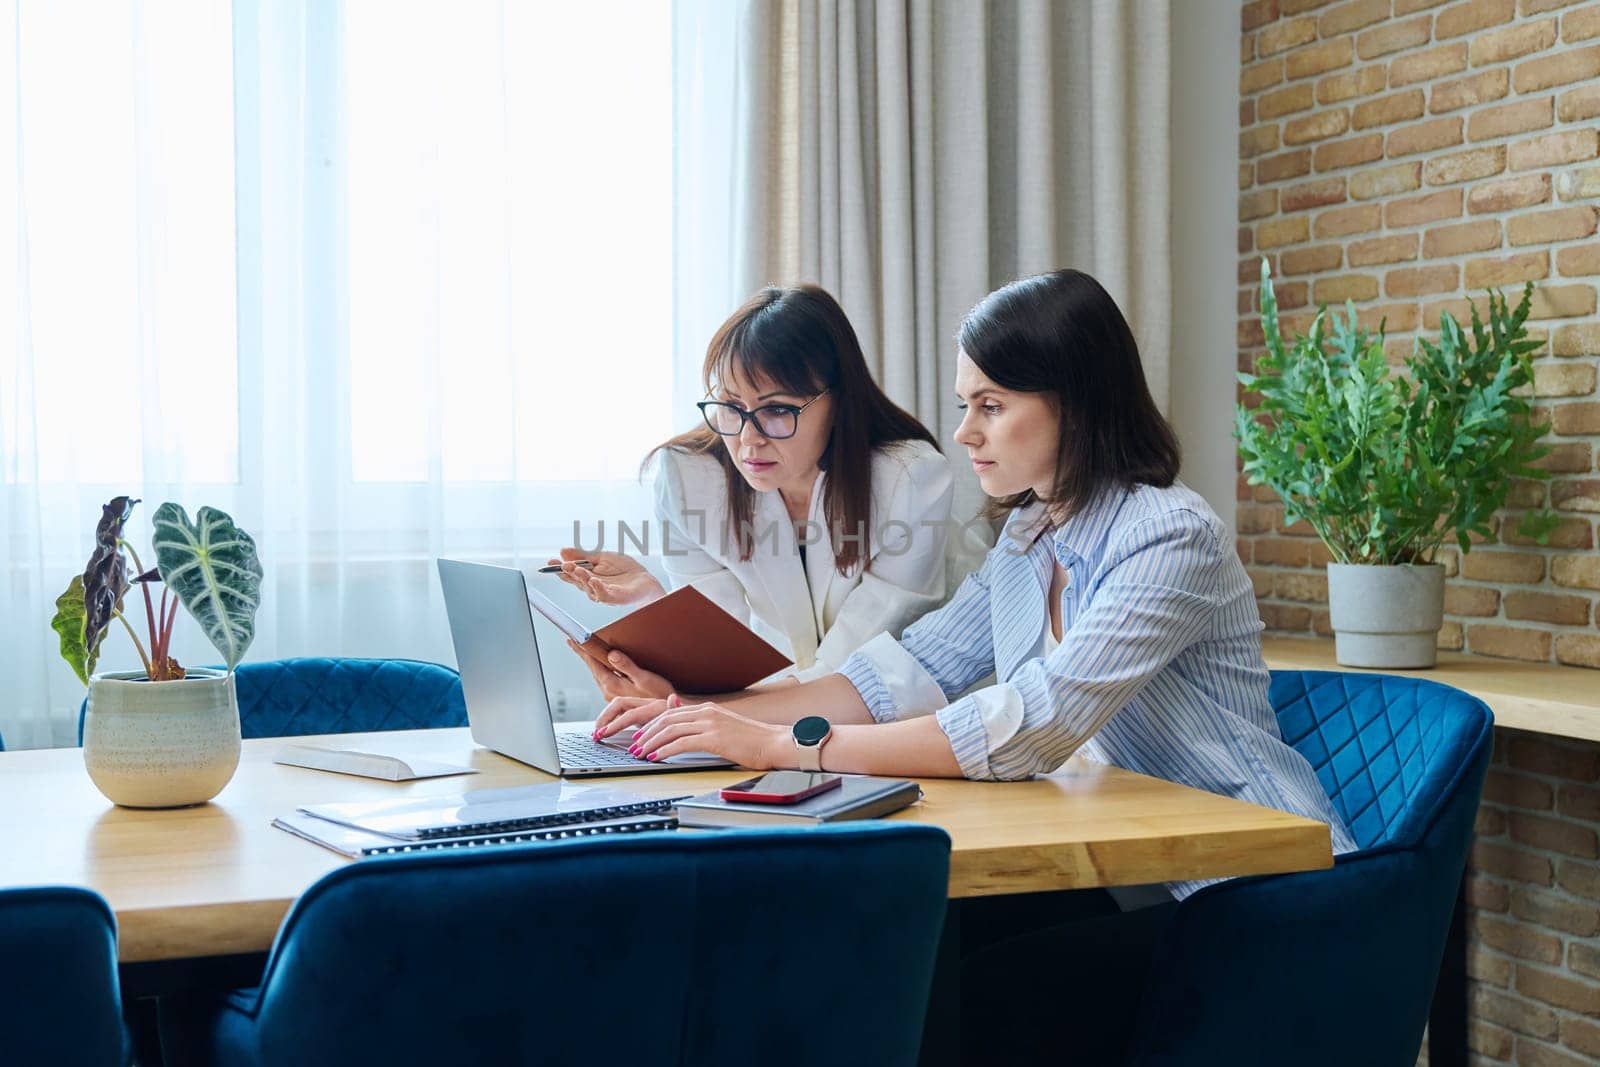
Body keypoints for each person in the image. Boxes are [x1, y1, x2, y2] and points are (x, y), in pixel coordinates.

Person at [592, 268, 1357, 1063]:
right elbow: (902, 673)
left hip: (1260, 894)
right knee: (904, 958)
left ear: (1077, 400)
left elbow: (1028, 726)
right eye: (966, 405)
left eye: (991, 405)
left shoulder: (1169, 535)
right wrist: (706, 713)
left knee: (972, 999)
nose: (964, 432)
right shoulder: (1029, 537)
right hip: (1134, 882)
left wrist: (788, 747)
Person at [550, 284, 954, 697]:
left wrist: (707, 707)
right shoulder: (688, 477)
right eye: (730, 406)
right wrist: (656, 601)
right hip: (762, 713)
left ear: (839, 400)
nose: (748, 439)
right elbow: (721, 653)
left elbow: (858, 659)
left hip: (883, 712)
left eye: (776, 410)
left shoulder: (910, 479)